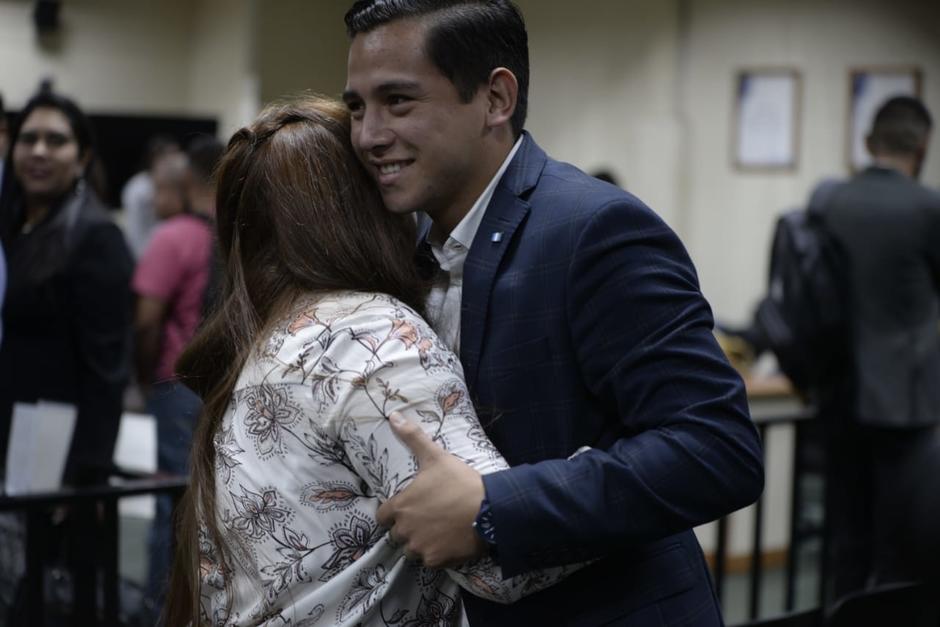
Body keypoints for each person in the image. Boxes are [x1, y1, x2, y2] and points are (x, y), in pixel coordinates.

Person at [342, 2, 764, 625]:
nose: (368, 135)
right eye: (357, 107)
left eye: (398, 101)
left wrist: (494, 508)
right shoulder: (410, 247)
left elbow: (717, 449)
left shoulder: (593, 229)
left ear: (495, 99)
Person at [164, 96, 583, 626]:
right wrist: (621, 470)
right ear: (367, 210)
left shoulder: (265, 345)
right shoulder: (370, 336)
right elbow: (499, 562)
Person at [0, 89, 133, 624]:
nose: (39, 151)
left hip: (52, 448)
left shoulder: (96, 236)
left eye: (56, 141)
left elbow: (108, 371)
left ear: (82, 156)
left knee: (31, 594)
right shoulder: (15, 225)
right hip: (10, 433)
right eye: (28, 138)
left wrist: (85, 477)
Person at [816, 96, 940, 602]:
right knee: (901, 549)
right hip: (906, 404)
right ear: (923, 147)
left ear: (869, 142)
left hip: (839, 394)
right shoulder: (928, 208)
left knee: (847, 541)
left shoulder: (830, 202)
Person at [132, 148, 215, 613]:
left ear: (183, 187)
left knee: (168, 503)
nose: (154, 200)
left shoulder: (172, 237)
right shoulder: (227, 234)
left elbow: (146, 319)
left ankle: (158, 611)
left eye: (160, 189)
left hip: (175, 383)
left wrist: (144, 377)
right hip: (218, 383)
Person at [121, 135, 181, 258]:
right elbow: (136, 230)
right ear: (155, 158)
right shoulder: (139, 187)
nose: (175, 162)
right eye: (170, 156)